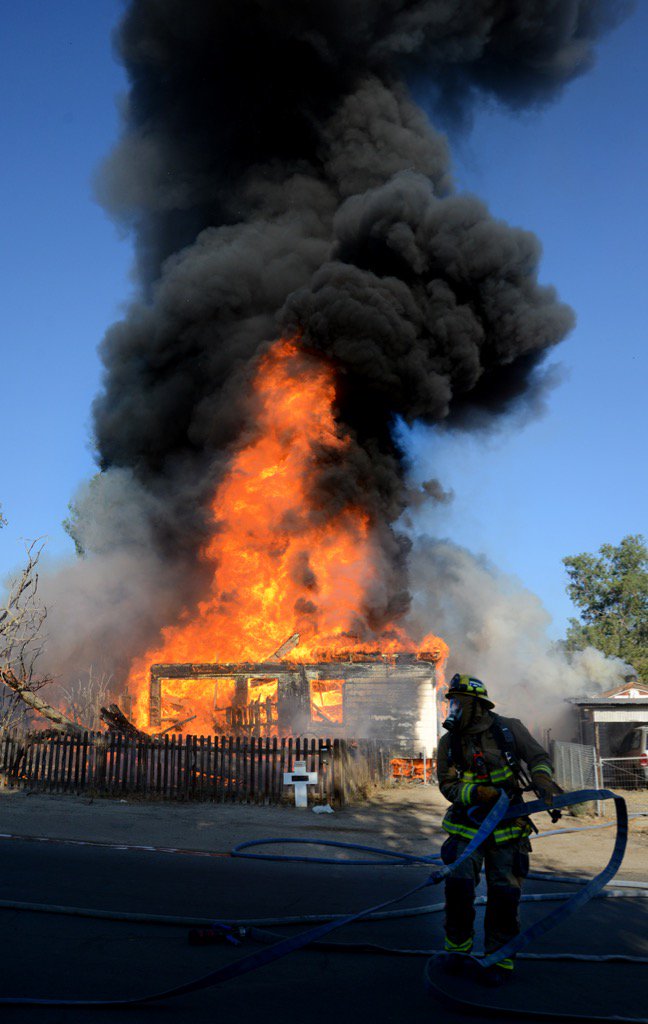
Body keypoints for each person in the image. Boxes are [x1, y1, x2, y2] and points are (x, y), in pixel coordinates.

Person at [436, 673, 559, 986]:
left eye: (458, 702)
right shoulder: (449, 742)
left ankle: (499, 960)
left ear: (477, 706)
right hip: (467, 828)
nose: (453, 708)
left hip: (508, 829)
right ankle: (457, 952)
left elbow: (538, 757)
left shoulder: (509, 729)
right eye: (451, 702)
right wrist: (476, 794)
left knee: (504, 895)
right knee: (459, 889)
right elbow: (448, 785)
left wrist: (543, 780)